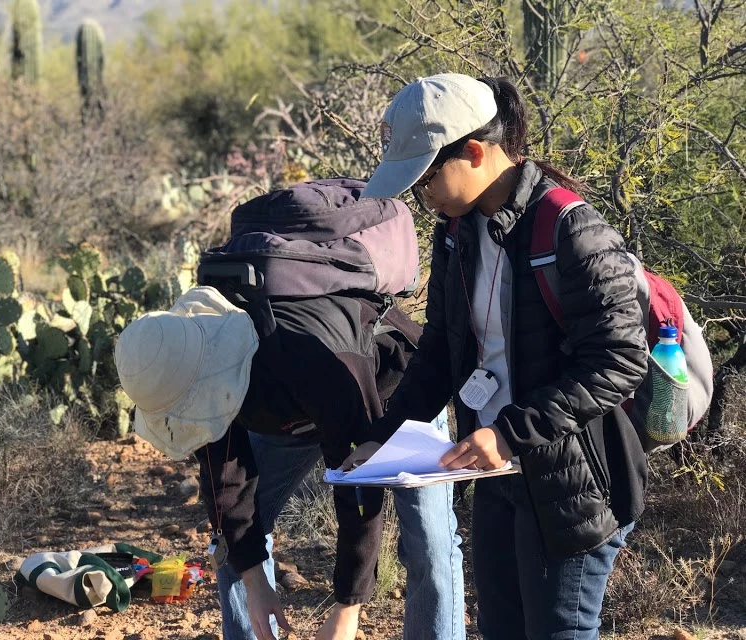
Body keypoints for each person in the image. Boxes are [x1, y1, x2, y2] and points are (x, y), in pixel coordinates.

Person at [347, 74, 649, 639]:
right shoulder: (457, 234)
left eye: (425, 177)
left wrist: (511, 434)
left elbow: (619, 359)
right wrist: (385, 437)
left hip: (571, 482)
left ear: (475, 152)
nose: (421, 196)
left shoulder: (570, 228)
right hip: (496, 475)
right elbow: (440, 350)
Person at [114, 187, 465, 640]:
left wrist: (348, 605)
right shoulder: (193, 362)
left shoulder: (309, 355)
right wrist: (255, 581)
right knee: (235, 546)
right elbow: (225, 483)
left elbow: (359, 489)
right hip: (283, 411)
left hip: (389, 396)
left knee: (430, 544)